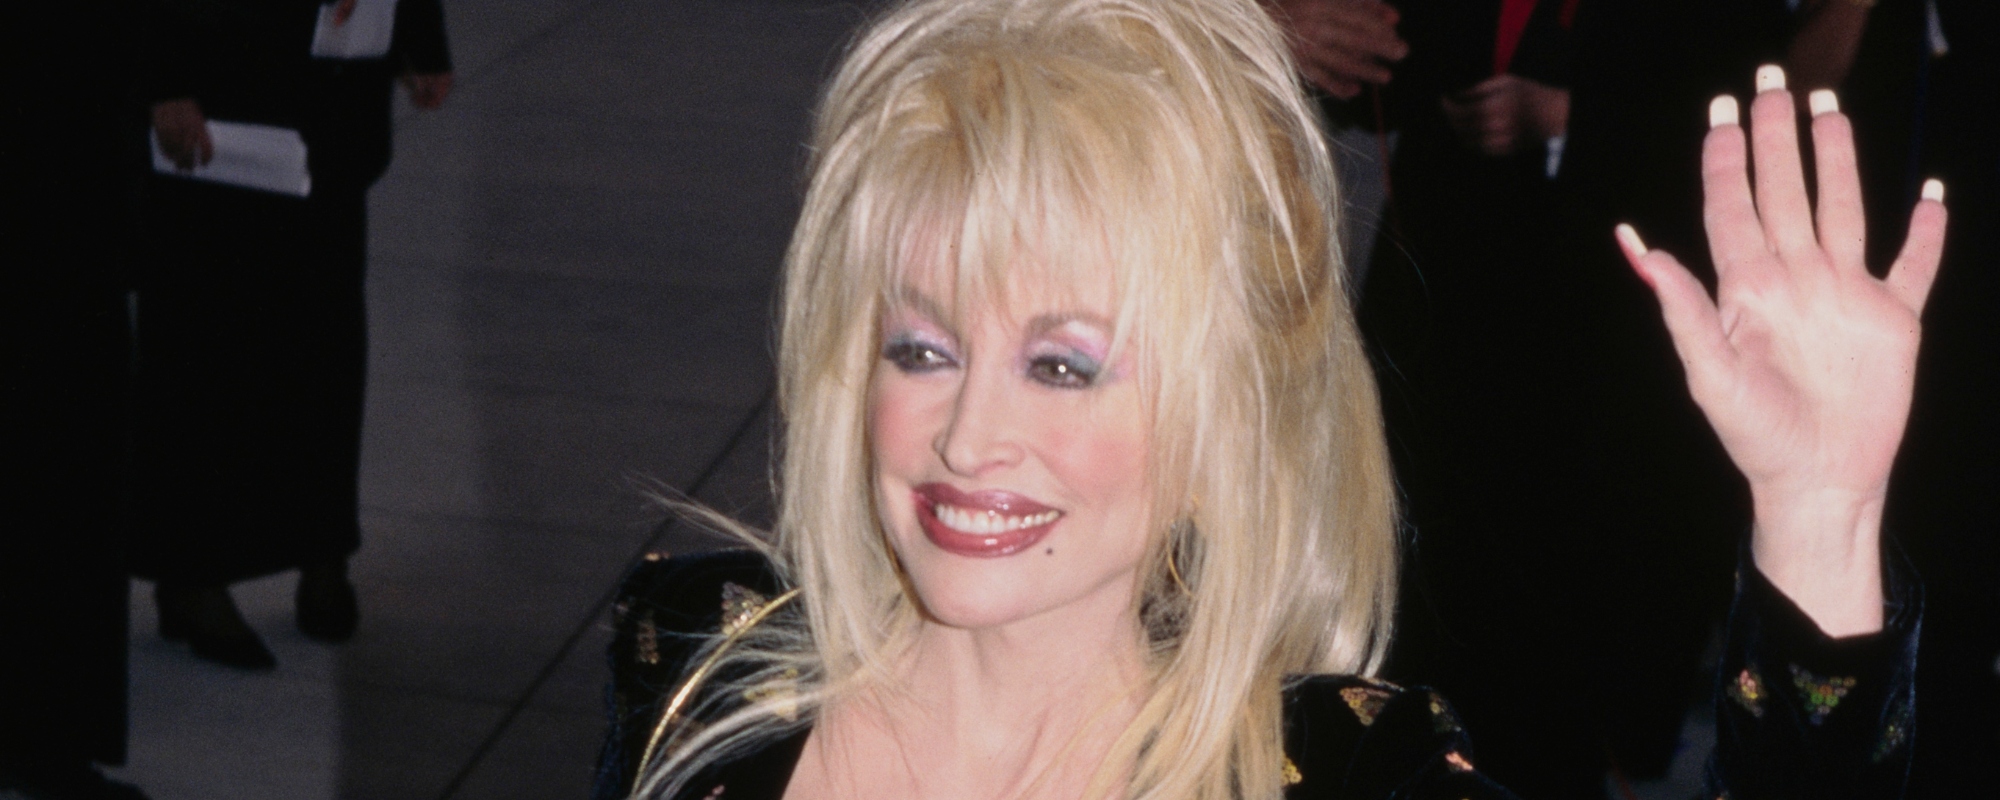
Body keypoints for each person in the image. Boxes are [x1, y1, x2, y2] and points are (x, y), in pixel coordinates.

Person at [592, 1, 1946, 798]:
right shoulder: (705, 671)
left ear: (1220, 417)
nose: (965, 436)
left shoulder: (1348, 775)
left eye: (1062, 364)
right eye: (920, 348)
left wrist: (1817, 521)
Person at [133, 0, 451, 669]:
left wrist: (419, 40)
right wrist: (163, 80)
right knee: (205, 343)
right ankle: (192, 571)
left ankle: (321, 549)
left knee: (323, 345)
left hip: (334, 97)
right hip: (225, 95)